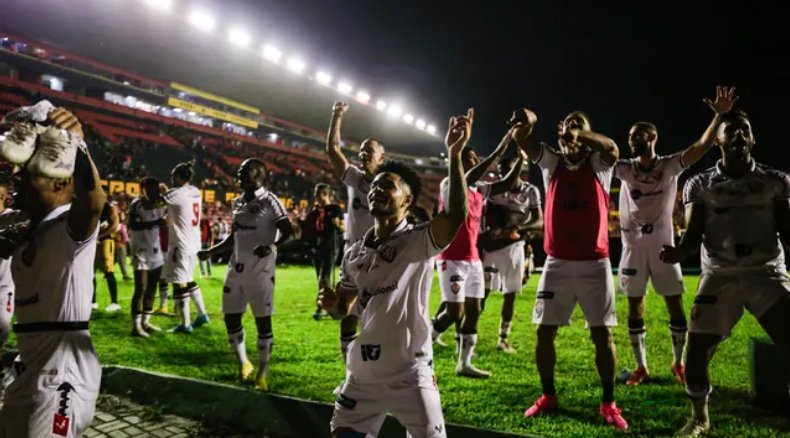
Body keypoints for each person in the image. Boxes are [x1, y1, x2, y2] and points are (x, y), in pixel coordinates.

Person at [320, 109, 473, 438]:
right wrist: (333, 304)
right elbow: (344, 309)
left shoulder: (418, 241)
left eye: (387, 186)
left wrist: (455, 154)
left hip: (410, 373)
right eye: (374, 186)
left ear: (408, 200)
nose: (376, 189)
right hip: (361, 374)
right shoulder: (354, 253)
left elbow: (457, 213)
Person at [660, 108, 790, 437]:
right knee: (697, 350)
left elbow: (788, 232)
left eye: (744, 130)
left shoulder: (776, 181)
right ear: (717, 139)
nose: (737, 135)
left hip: (767, 274)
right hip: (720, 275)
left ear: (752, 138)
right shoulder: (699, 184)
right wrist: (678, 251)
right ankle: (699, 417)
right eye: (730, 130)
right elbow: (693, 236)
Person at [513, 109, 628, 430]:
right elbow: (524, 141)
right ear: (560, 132)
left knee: (602, 335)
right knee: (544, 332)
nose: (572, 131)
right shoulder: (552, 162)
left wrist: (581, 134)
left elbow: (612, 149)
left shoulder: (599, 164)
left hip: (595, 262)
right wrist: (530, 121)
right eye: (567, 126)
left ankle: (608, 402)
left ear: (588, 135)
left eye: (580, 126)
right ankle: (548, 396)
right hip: (557, 262)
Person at [615, 86, 737, 386]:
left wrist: (718, 116)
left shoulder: (669, 166)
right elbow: (600, 157)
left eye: (638, 136)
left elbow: (702, 145)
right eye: (630, 137)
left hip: (663, 247)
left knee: (674, 305)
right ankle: (641, 366)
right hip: (632, 248)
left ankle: (678, 363)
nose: (632, 141)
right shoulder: (624, 169)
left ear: (652, 138)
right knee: (635, 305)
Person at [0, 108, 105, 437]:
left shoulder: (69, 229)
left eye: (28, 174)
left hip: (62, 375)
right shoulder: (23, 228)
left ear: (61, 182)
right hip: (29, 365)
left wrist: (80, 147)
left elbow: (94, 202)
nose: (17, 179)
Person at [431, 131, 526, 378]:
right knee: (455, 312)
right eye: (470, 158)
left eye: (475, 158)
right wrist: (499, 148)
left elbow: (504, 184)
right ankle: (426, 342)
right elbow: (470, 175)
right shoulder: (448, 184)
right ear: (459, 161)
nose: (474, 161)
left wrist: (520, 162)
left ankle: (464, 364)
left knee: (474, 310)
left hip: (473, 258)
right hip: (451, 257)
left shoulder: (479, 189)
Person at [199, 158, 292, 391]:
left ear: (260, 174)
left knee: (263, 323)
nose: (239, 173)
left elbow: (289, 232)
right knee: (231, 319)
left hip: (261, 273)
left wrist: (271, 247)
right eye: (239, 170)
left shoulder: (270, 201)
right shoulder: (237, 202)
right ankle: (243, 363)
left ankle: (262, 372)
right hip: (235, 270)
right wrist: (211, 251)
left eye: (245, 170)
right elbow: (235, 236)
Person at [326, 101, 385, 366]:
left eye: (369, 151)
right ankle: (350, 371)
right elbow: (332, 149)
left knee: (376, 315)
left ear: (381, 158)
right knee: (348, 311)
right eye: (361, 151)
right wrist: (337, 116)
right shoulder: (354, 178)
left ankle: (373, 371)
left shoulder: (389, 186)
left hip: (380, 256)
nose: (363, 155)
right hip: (353, 252)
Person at [479, 156, 543, 354]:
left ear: (518, 168)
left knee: (511, 294)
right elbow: (483, 216)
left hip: (515, 246)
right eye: (501, 170)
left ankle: (503, 338)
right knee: (483, 292)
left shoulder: (530, 190)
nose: (504, 174)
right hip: (493, 247)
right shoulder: (494, 190)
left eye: (508, 168)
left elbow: (539, 221)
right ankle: (467, 334)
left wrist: (518, 227)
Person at [160, 162, 210, 333]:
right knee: (188, 279)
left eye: (174, 175)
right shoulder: (195, 191)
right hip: (194, 242)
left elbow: (156, 203)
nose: (172, 179)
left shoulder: (176, 193)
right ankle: (202, 314)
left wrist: (161, 191)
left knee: (179, 283)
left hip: (180, 244)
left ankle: (185, 323)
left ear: (179, 177)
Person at [128, 177, 167, 338]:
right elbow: (134, 225)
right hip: (140, 251)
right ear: (143, 189)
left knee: (152, 288)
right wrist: (156, 222)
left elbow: (170, 200)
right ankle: (136, 326)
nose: (154, 191)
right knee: (140, 288)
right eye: (151, 188)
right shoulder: (136, 204)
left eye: (156, 188)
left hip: (155, 250)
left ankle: (145, 321)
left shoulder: (159, 204)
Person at [302, 183, 344, 320]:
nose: (315, 196)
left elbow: (343, 228)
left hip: (330, 247)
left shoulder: (335, 209)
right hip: (317, 248)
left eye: (317, 193)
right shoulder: (314, 211)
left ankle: (324, 308)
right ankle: (330, 307)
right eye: (315, 193)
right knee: (320, 279)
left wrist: (336, 224)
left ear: (325, 194)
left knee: (324, 278)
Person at [93, 200, 121, 312]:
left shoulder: (109, 207)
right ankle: (92, 301)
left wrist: (99, 236)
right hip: (93, 242)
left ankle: (114, 302)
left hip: (105, 241)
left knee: (109, 272)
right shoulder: (92, 205)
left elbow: (114, 225)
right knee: (91, 273)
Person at [114, 208, 131, 281]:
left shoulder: (119, 225)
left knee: (119, 260)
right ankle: (125, 275)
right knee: (122, 260)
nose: (123, 217)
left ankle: (107, 273)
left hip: (119, 244)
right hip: (120, 245)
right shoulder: (119, 226)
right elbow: (124, 237)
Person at [199, 208, 213, 278]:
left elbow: (210, 233)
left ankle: (208, 273)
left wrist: (210, 241)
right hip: (201, 242)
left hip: (205, 242)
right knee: (202, 258)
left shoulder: (206, 222)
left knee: (207, 258)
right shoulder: (201, 222)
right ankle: (204, 274)